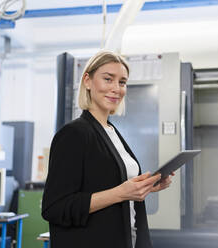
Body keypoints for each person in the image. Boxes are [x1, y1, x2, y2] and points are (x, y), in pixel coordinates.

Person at [42, 50, 173, 248]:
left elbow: (107, 183)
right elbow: (54, 207)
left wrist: (146, 186)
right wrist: (121, 193)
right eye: (108, 79)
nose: (116, 88)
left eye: (122, 82)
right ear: (87, 80)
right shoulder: (73, 134)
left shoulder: (111, 132)